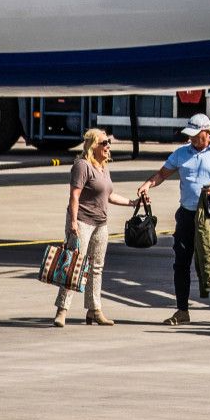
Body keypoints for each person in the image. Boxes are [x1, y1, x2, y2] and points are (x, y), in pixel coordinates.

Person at [141, 116, 210, 325]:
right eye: (190, 136)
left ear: (206, 132)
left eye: (196, 136)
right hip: (187, 213)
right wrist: (148, 184)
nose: (193, 140)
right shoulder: (181, 153)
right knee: (181, 262)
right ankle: (182, 310)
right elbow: (162, 173)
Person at [51, 128, 144, 327]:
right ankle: (62, 310)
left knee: (96, 268)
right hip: (82, 222)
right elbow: (74, 196)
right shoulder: (82, 166)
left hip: (101, 224)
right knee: (74, 264)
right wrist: (74, 222)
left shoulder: (103, 167)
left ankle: (94, 310)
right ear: (94, 145)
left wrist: (132, 203)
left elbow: (109, 196)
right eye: (105, 142)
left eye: (109, 142)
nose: (108, 146)